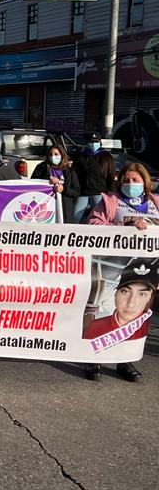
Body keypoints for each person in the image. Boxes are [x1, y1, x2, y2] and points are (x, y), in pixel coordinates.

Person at [84, 162, 159, 382]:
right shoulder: (110, 201)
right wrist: (126, 227)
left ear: (144, 182)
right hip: (111, 267)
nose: (130, 184)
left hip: (142, 269)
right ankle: (93, 359)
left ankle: (124, 359)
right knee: (104, 308)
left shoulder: (155, 202)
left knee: (134, 313)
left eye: (135, 180)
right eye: (126, 180)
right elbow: (93, 225)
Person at [82, 260, 157, 355]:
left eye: (142, 294)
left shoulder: (143, 326)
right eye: (125, 292)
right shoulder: (96, 326)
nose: (131, 303)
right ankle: (94, 363)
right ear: (116, 294)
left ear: (150, 298)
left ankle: (125, 363)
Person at [31, 144, 81, 223]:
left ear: (62, 155)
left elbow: (76, 192)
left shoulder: (69, 171)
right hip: (45, 209)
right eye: (51, 154)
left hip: (65, 212)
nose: (53, 157)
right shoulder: (41, 168)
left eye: (56, 154)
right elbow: (33, 183)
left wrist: (64, 189)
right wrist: (48, 178)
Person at [74, 132, 111, 222]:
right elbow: (75, 172)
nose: (93, 144)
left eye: (96, 142)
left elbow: (111, 174)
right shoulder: (81, 156)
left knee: (99, 217)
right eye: (91, 142)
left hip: (99, 193)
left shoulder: (106, 156)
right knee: (75, 216)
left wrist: (108, 191)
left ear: (100, 142)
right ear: (87, 143)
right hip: (83, 193)